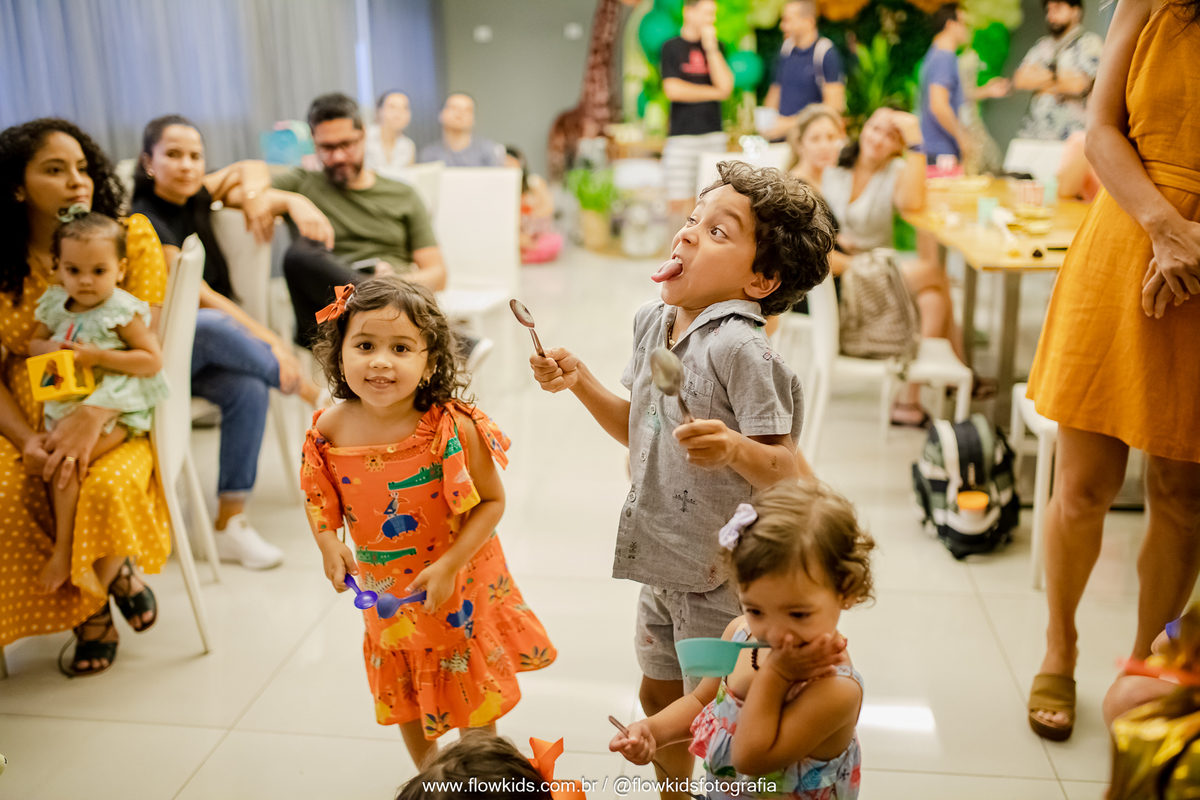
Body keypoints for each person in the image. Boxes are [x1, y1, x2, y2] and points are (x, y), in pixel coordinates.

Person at [531, 161, 833, 799]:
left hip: (721, 572)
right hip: (662, 552)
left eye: (718, 231)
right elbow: (639, 427)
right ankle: (674, 792)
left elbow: (782, 467)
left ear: (761, 280)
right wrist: (580, 380)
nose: (688, 232)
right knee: (657, 693)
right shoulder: (653, 321)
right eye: (694, 218)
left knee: (719, 706)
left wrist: (734, 448)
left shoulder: (741, 350)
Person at [1023, 0, 1200, 742]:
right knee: (1083, 485)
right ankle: (1059, 647)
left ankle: (1146, 666)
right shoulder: (1151, 4)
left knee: (1184, 494)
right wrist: (1165, 227)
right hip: (1127, 236)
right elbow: (1100, 131)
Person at [302, 277, 557, 767]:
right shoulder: (329, 429)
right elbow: (318, 498)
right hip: (386, 589)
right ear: (339, 354)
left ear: (431, 362)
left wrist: (449, 566)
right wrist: (328, 543)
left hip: (458, 580)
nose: (380, 361)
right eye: (365, 346)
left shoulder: (451, 427)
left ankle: (476, 779)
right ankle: (430, 778)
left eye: (400, 348)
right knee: (405, 683)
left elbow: (491, 502)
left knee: (468, 681)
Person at [0, 118, 170, 675]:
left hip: (120, 409)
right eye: (55, 170)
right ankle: (109, 582)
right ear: (17, 186)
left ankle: (90, 611)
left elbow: (151, 352)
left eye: (81, 167)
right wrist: (26, 438)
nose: (77, 180)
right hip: (25, 419)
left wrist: (95, 414)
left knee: (93, 481)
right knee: (10, 488)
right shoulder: (10, 264)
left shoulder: (127, 239)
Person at [133, 114, 333, 568]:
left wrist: (282, 199)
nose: (187, 165)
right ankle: (317, 399)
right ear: (148, 162)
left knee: (248, 388)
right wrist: (271, 340)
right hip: (159, 354)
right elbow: (199, 296)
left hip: (199, 358)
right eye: (173, 155)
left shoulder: (194, 194)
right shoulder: (144, 219)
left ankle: (230, 523)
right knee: (211, 323)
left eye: (195, 155)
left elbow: (250, 168)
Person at [610, 481, 874, 800]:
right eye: (756, 610)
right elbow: (702, 701)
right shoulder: (740, 633)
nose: (774, 633)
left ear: (846, 590)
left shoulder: (836, 689)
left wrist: (776, 675)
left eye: (798, 614)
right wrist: (653, 731)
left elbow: (751, 760)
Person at [29, 212, 168, 594]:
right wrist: (49, 347)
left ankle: (66, 553)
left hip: (117, 406)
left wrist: (99, 357)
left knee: (67, 462)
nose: (86, 281)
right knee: (56, 459)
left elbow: (152, 360)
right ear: (58, 268)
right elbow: (32, 343)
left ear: (120, 270)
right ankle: (81, 558)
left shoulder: (119, 310)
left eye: (99, 271)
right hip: (66, 403)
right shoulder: (56, 303)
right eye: (73, 270)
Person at [274, 93, 448, 349]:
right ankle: (381, 298)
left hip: (394, 305)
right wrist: (292, 201)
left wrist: (394, 283)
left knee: (391, 305)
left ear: (364, 135)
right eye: (327, 148)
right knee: (299, 256)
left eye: (347, 144)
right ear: (314, 142)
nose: (338, 156)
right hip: (330, 315)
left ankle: (378, 295)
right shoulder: (301, 184)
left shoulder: (403, 194)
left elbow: (438, 274)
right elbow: (239, 186)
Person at [821, 108, 960, 426]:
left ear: (899, 146)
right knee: (935, 275)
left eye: (891, 136)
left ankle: (909, 400)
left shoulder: (897, 170)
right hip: (844, 271)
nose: (879, 139)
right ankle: (960, 366)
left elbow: (912, 203)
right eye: (875, 128)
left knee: (933, 299)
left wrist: (916, 143)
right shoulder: (834, 163)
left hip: (873, 269)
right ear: (863, 128)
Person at [660, 0, 734, 230]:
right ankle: (675, 247)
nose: (711, 19)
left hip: (713, 135)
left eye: (713, 14)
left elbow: (726, 86)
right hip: (681, 136)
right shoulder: (671, 47)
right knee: (677, 201)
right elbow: (673, 90)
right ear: (688, 12)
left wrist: (711, 48)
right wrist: (714, 92)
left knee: (711, 199)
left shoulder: (717, 47)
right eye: (706, 13)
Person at [1013, 0, 1104, 141]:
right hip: (1034, 135)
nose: (1051, 15)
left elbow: (1080, 85)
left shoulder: (1089, 43)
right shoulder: (1042, 45)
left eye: (1058, 9)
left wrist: (1042, 82)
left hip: (1072, 137)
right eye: (1049, 10)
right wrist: (1060, 79)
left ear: (1075, 11)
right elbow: (1020, 80)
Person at [763, 0, 845, 142]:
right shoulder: (786, 50)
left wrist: (789, 124)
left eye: (788, 20)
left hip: (808, 143)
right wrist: (767, 122)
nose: (783, 26)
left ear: (809, 21)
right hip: (780, 142)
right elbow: (775, 90)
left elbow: (833, 107)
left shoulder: (824, 52)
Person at [919, 4, 971, 165]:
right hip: (941, 150)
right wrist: (963, 138)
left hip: (932, 148)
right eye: (964, 23)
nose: (967, 29)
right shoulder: (944, 57)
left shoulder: (934, 53)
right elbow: (938, 105)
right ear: (950, 25)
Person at [505, 145, 563, 264]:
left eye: (512, 164)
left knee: (553, 242)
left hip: (533, 235)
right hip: (512, 237)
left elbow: (547, 209)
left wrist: (531, 215)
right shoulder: (499, 190)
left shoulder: (533, 183)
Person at [418, 94, 505, 168]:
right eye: (454, 108)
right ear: (441, 114)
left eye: (467, 110)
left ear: (473, 118)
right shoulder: (429, 155)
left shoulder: (488, 151)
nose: (459, 114)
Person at [366, 90, 417, 179]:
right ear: (379, 111)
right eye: (392, 107)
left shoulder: (408, 146)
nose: (399, 113)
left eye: (405, 108)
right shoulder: (365, 136)